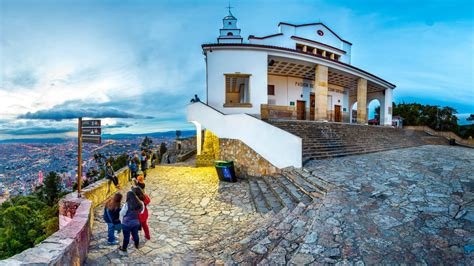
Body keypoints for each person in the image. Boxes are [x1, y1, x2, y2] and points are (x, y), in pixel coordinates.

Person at [119, 191, 144, 255]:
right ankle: (137, 245)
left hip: (126, 224)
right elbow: (141, 212)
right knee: (135, 234)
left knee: (126, 236)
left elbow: (121, 213)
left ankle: (124, 248)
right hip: (136, 222)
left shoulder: (126, 204)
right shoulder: (140, 203)